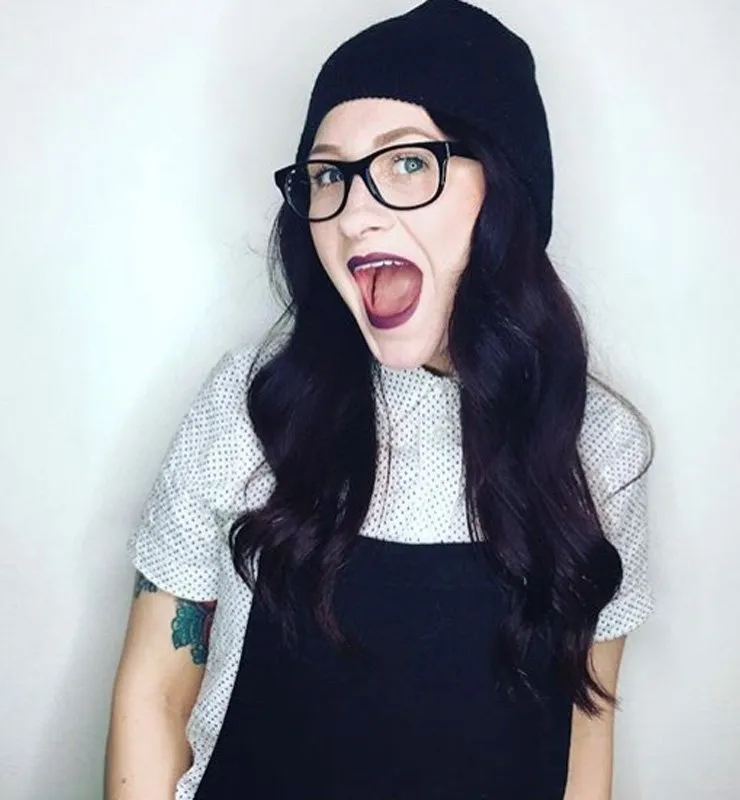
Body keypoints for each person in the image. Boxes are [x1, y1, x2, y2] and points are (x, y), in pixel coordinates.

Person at [105, 1, 655, 798]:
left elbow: (588, 720)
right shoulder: (252, 405)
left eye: (407, 163)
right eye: (330, 174)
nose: (355, 214)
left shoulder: (598, 444)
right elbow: (154, 693)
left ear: (504, 190)